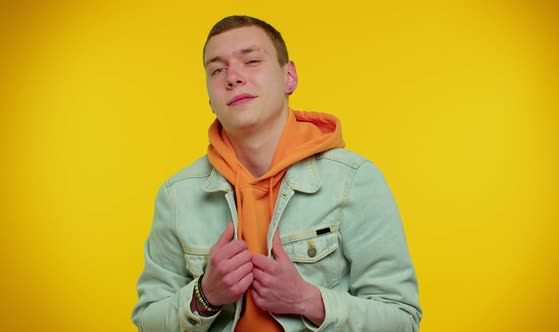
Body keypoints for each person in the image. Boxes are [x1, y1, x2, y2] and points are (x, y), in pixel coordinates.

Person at [132, 15, 422, 332]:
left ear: (289, 77)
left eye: (251, 61)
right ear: (210, 98)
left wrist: (308, 301)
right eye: (217, 69)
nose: (233, 77)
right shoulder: (177, 196)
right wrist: (205, 295)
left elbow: (402, 320)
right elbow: (148, 322)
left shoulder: (353, 181)